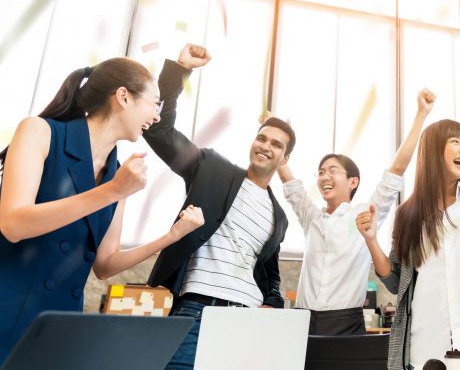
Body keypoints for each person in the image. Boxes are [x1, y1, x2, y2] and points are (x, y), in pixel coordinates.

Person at [0, 57, 204, 362]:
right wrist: (112, 191)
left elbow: (105, 264)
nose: (157, 117)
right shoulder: (40, 132)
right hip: (7, 310)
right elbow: (13, 224)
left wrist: (172, 236)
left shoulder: (116, 173)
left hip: (58, 327)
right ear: (123, 97)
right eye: (154, 103)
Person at [141, 44, 296, 370]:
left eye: (276, 144)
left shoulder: (278, 216)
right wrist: (178, 70)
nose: (265, 146)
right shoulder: (212, 169)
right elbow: (160, 131)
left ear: (285, 158)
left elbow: (271, 275)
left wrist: (272, 303)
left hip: (249, 323)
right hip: (198, 309)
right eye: (262, 138)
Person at [356, 119, 460, 370]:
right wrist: (370, 240)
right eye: (455, 141)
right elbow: (395, 281)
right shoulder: (407, 214)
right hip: (424, 342)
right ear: (433, 152)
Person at [277, 89, 435, 336]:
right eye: (320, 172)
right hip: (303, 321)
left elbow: (396, 170)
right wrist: (275, 140)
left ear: (353, 182)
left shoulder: (365, 214)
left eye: (332, 170)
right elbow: (290, 184)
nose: (324, 176)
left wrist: (420, 115)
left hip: (345, 323)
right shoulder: (312, 217)